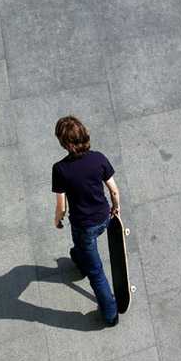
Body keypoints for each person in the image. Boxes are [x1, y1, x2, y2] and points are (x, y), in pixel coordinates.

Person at [52, 115, 120, 327]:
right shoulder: (98, 158)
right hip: (104, 218)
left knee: (96, 273)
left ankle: (110, 315)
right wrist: (115, 208)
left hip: (84, 226)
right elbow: (114, 190)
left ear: (65, 143)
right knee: (81, 250)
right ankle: (79, 258)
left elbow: (62, 206)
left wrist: (58, 220)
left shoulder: (60, 169)